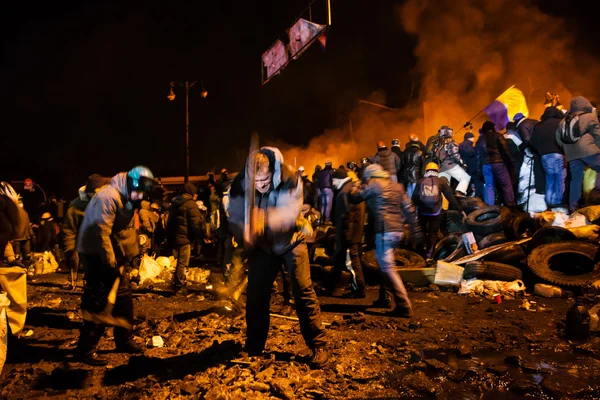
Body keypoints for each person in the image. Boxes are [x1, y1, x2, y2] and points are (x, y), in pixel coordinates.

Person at [227, 147, 329, 367]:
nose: (261, 186)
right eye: (256, 182)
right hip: (264, 247)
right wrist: (240, 228)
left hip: (291, 240)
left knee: (302, 290)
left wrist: (258, 220)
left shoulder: (290, 179)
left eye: (264, 180)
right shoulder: (242, 184)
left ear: (272, 173)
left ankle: (318, 345)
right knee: (255, 297)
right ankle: (253, 347)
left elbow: (288, 216)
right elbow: (235, 214)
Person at [75, 166, 156, 366]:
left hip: (111, 249)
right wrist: (110, 260)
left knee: (123, 296)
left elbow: (122, 230)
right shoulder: (108, 196)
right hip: (94, 251)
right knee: (100, 299)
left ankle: (124, 339)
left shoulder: (126, 197)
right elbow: (101, 231)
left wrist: (126, 254)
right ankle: (85, 349)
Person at [349, 164, 424, 317]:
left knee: (388, 268)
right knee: (385, 264)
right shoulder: (396, 186)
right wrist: (416, 231)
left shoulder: (373, 184)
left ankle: (404, 305)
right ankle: (385, 297)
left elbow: (354, 197)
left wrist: (356, 183)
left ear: (370, 175)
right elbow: (409, 209)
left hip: (384, 230)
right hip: (397, 231)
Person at [62, 174, 107, 290]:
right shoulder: (75, 206)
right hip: (87, 249)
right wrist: (70, 251)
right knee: (94, 280)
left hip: (106, 246)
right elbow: (69, 230)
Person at [555, 96, 600, 211]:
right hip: (588, 150)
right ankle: (598, 197)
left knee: (575, 180)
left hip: (572, 154)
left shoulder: (563, 121)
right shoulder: (590, 117)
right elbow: (597, 135)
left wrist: (567, 149)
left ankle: (573, 208)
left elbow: (558, 138)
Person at [327, 168, 366, 298]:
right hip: (354, 232)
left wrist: (344, 237)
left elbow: (345, 217)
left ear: (338, 179)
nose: (332, 183)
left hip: (348, 235)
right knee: (340, 261)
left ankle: (360, 289)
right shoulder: (353, 189)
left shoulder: (344, 193)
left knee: (352, 262)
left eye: (333, 180)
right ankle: (331, 286)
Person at [412, 163, 464, 258]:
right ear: (437, 171)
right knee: (433, 234)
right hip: (436, 213)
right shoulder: (441, 182)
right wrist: (461, 211)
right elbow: (451, 198)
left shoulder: (420, 181)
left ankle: (420, 252)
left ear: (426, 171)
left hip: (422, 211)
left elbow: (414, 197)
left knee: (423, 231)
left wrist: (412, 211)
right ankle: (429, 255)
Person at [167, 182, 205, 295]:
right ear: (191, 192)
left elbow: (169, 221)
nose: (196, 195)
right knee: (183, 263)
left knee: (178, 262)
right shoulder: (190, 204)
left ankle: (176, 283)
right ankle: (179, 287)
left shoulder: (174, 203)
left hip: (174, 237)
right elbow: (195, 224)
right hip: (184, 238)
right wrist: (201, 237)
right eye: (195, 193)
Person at [530, 106, 567, 209]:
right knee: (559, 178)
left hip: (544, 156)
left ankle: (549, 201)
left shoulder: (539, 125)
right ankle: (557, 202)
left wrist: (541, 150)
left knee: (549, 178)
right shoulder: (561, 122)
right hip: (558, 153)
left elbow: (532, 142)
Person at [480, 121, 517, 207]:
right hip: (498, 163)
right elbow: (506, 149)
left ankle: (489, 207)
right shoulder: (498, 136)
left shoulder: (480, 140)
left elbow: (478, 156)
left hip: (485, 165)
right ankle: (510, 204)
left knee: (489, 186)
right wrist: (512, 162)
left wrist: (479, 170)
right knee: (506, 184)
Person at [433, 126, 471, 196]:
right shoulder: (451, 142)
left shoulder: (437, 143)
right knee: (466, 178)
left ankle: (443, 205)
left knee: (444, 187)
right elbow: (455, 154)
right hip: (451, 165)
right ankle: (459, 194)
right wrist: (462, 162)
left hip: (441, 168)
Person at [514, 112, 545, 196]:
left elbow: (527, 139)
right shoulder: (533, 121)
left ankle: (539, 189)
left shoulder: (522, 125)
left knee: (537, 169)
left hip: (536, 149)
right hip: (545, 146)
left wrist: (521, 147)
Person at [459, 130, 477, 196]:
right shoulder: (468, 144)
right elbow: (470, 153)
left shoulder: (460, 145)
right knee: (475, 180)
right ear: (470, 138)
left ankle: (468, 193)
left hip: (464, 166)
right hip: (472, 166)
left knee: (467, 181)